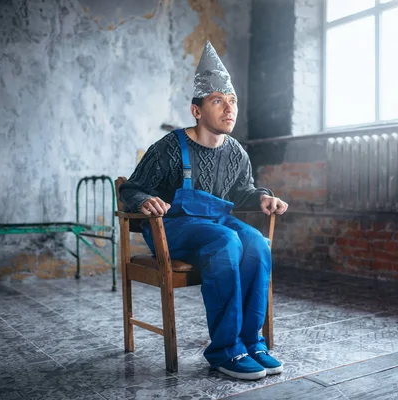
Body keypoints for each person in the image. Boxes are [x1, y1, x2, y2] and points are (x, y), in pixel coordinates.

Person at [119, 41, 288, 381]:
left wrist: (263, 198)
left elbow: (244, 191)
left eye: (232, 101)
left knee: (255, 243)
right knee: (227, 241)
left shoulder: (237, 152)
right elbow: (130, 188)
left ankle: (251, 342)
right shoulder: (169, 148)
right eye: (217, 101)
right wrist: (142, 201)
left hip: (217, 222)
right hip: (173, 229)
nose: (229, 109)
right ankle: (225, 351)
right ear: (196, 111)